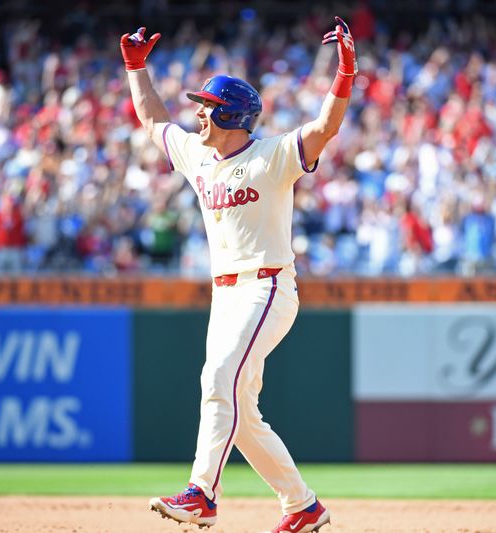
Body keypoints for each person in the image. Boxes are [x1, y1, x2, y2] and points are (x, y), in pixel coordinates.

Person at [121, 16, 356, 533]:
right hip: (224, 297)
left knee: (216, 378)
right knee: (242, 415)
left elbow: (324, 130)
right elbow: (152, 118)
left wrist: (344, 76)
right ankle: (302, 505)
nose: (197, 115)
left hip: (268, 286)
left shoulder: (271, 156)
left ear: (230, 113)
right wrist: (136, 68)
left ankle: (202, 493)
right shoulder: (199, 157)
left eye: (205, 107)